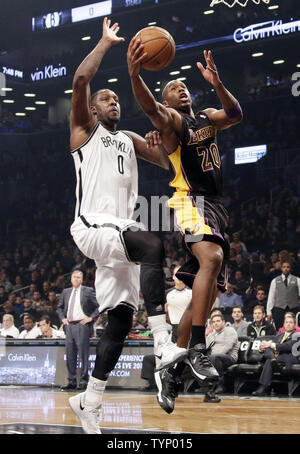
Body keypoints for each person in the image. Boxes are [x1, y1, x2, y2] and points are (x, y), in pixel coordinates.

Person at [67, 18, 185, 434]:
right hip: (92, 225)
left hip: (118, 231)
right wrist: (103, 43)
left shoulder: (131, 138)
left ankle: (89, 400)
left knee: (118, 319)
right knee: (152, 244)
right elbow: (81, 79)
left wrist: (166, 139)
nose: (113, 102)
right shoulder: (84, 131)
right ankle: (164, 341)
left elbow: (170, 157)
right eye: (106, 98)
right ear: (94, 109)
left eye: (117, 98)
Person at [127, 37, 242, 412]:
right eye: (174, 88)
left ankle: (171, 377)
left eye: (185, 86)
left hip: (217, 207)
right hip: (189, 201)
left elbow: (236, 113)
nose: (182, 89)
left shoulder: (206, 117)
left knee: (203, 300)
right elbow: (150, 108)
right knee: (210, 260)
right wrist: (135, 74)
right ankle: (196, 347)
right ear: (169, 101)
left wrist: (217, 82)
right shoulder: (172, 123)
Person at [57, 270, 99, 391]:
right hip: (69, 325)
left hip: (82, 324)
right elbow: (59, 308)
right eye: (74, 277)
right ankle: (71, 381)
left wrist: (91, 318)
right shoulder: (66, 292)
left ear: (81, 280)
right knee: (70, 355)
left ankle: (84, 381)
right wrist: (62, 318)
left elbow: (98, 306)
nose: (76, 279)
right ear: (71, 279)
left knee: (83, 354)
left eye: (78, 277)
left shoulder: (88, 291)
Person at [252, 313, 300, 396]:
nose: (288, 324)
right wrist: (262, 347)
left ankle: (264, 387)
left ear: (294, 325)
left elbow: (287, 346)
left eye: (291, 322)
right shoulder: (279, 335)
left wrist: (270, 344)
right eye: (286, 322)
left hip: (290, 357)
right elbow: (271, 346)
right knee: (268, 352)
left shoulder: (297, 335)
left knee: (269, 357)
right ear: (283, 324)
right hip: (277, 357)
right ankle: (273, 360)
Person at [206, 313, 239, 393]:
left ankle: (220, 385)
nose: (215, 323)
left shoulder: (230, 331)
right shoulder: (210, 336)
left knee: (215, 357)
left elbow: (228, 346)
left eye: (218, 321)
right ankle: (207, 385)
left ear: (223, 322)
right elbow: (207, 349)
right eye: (213, 322)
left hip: (229, 357)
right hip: (214, 358)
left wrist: (213, 356)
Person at [266, 262, 300, 330]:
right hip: (279, 309)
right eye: (284, 267)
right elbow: (271, 297)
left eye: (288, 267)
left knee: (294, 329)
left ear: (290, 268)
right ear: (281, 268)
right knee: (280, 330)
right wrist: (269, 312)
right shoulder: (275, 281)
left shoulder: (297, 280)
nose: (286, 269)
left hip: (293, 308)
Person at [165, 266, 192, 343]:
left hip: (190, 329)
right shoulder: (167, 294)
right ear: (173, 276)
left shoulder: (193, 292)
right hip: (175, 330)